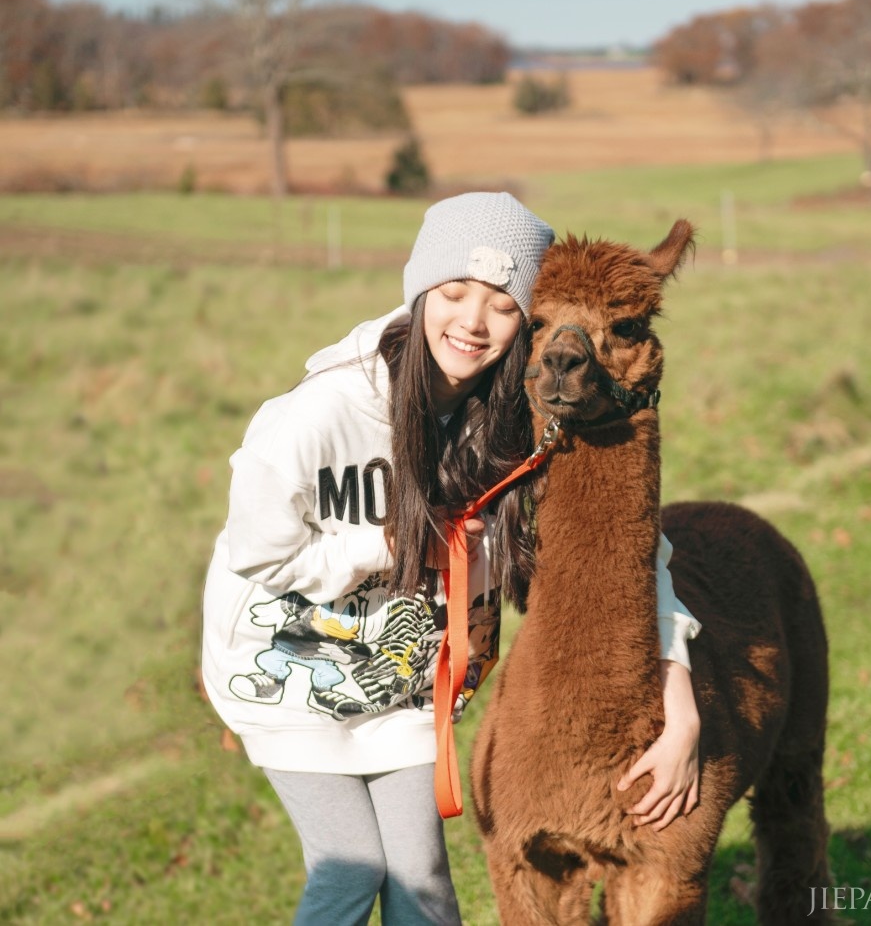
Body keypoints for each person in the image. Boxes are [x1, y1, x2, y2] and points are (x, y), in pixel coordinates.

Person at [201, 192, 702, 926]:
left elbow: (624, 557)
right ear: (421, 289)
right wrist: (394, 544)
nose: (472, 321)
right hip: (285, 677)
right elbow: (255, 548)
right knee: (351, 872)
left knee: (424, 881)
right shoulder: (324, 412)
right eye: (455, 292)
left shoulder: (513, 420)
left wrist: (680, 696)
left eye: (503, 305)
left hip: (400, 688)